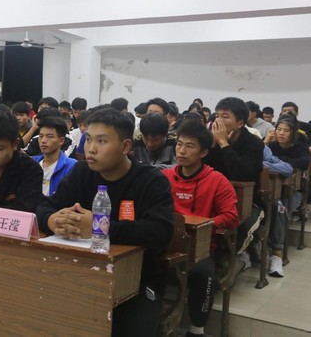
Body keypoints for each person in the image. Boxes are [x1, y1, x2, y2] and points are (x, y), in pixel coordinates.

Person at [36, 107, 174, 337]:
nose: (90, 148)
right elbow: (44, 207)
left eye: (101, 141)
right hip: (80, 273)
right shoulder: (81, 173)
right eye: (88, 139)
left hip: (137, 282)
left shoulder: (151, 181)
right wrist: (51, 220)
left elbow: (160, 232)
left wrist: (99, 227)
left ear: (126, 146)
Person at [162, 121, 239, 337]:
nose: (181, 151)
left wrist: (204, 225)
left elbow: (231, 216)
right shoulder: (165, 177)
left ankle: (197, 328)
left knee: (203, 274)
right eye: (179, 144)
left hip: (201, 248)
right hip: (168, 243)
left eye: (189, 146)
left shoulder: (217, 180)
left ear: (204, 152)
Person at [204, 97, 264, 266]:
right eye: (217, 116)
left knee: (240, 227)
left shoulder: (254, 143)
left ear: (240, 123)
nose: (219, 121)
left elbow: (243, 174)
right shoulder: (212, 140)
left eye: (225, 116)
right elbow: (204, 170)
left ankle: (237, 258)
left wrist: (224, 143)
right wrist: (214, 145)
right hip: (215, 199)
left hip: (248, 203)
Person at [263, 114, 310, 277]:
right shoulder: (271, 145)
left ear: (293, 133)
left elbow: (303, 162)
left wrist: (275, 161)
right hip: (269, 189)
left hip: (292, 192)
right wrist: (266, 142)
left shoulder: (299, 146)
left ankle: (276, 253)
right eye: (279, 129)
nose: (281, 133)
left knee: (279, 208)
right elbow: (257, 157)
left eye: (286, 130)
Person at [32, 117, 77, 196]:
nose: (43, 141)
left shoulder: (72, 167)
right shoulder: (32, 163)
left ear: (61, 141)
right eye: (41, 136)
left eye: (49, 136)